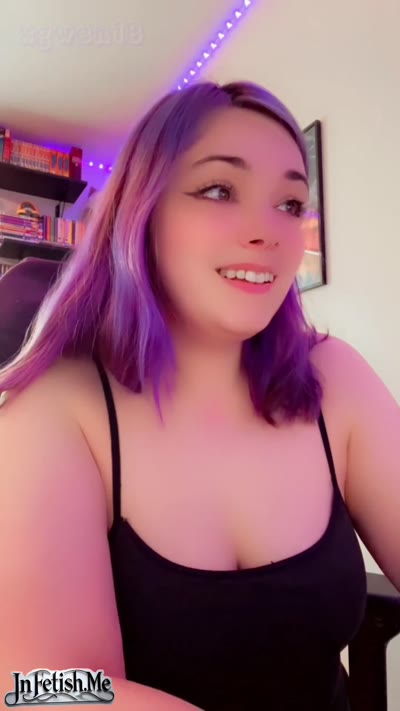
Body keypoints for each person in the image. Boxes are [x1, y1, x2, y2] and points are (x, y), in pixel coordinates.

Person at [0, 80, 399, 711]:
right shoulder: (54, 410)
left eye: (290, 204)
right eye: (218, 190)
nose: (268, 232)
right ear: (141, 212)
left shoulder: (334, 378)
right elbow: (37, 686)